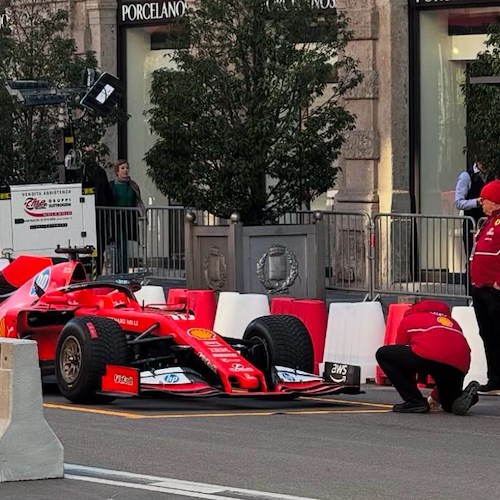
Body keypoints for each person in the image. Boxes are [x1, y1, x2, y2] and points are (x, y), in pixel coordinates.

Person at [376, 300, 479, 415]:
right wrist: (434, 397)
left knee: (383, 354)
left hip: (429, 355)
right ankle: (464, 396)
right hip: (460, 363)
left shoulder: (411, 318)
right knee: (449, 404)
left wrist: (411, 384)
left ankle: (415, 401)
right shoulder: (452, 322)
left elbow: (401, 349)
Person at [469, 179, 500, 395]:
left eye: (484, 199)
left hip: (495, 289)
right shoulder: (487, 222)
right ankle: (495, 379)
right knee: (487, 334)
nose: (481, 203)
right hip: (481, 288)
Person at [109, 159, 145, 274]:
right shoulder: (112, 185)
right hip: (115, 219)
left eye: (127, 168)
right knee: (119, 244)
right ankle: (118, 270)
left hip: (129, 219)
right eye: (123, 168)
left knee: (125, 244)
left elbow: (138, 200)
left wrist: (142, 213)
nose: (125, 170)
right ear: (117, 171)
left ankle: (123, 271)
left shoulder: (132, 185)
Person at [455, 157, 489, 260]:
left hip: (487, 224)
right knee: (472, 256)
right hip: (472, 223)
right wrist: (476, 202)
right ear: (478, 161)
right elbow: (458, 202)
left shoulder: (491, 175)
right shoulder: (467, 176)